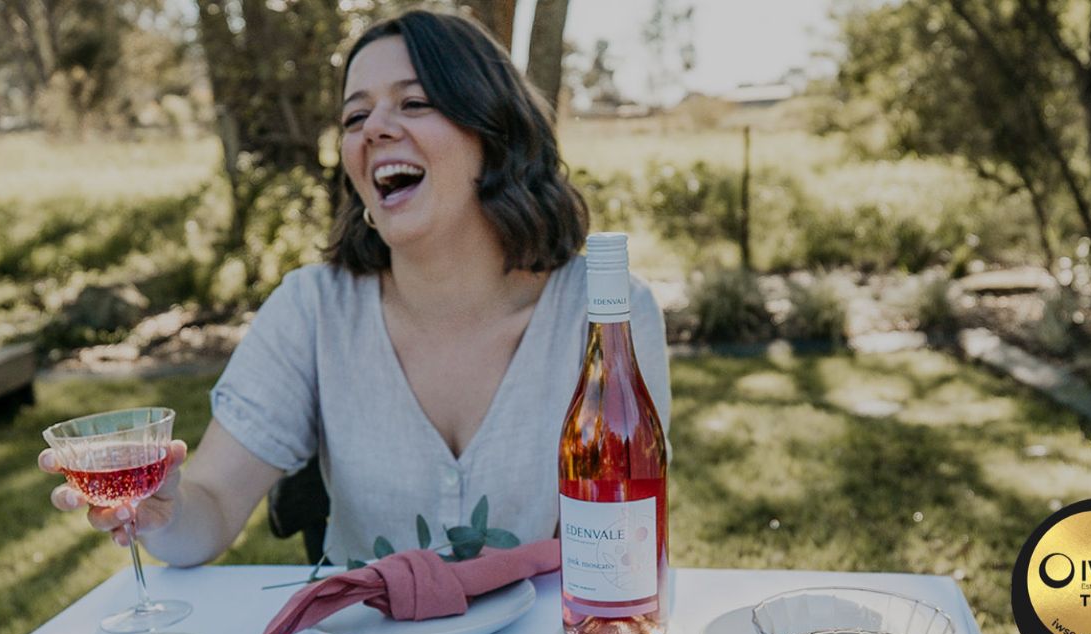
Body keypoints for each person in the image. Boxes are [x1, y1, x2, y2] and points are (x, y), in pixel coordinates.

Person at [40, 9, 669, 567]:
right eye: (355, 115)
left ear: (493, 132)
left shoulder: (607, 313)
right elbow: (205, 517)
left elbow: (624, 545)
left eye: (414, 103)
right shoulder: (312, 310)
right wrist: (164, 512)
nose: (374, 130)